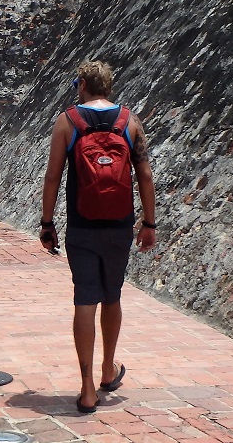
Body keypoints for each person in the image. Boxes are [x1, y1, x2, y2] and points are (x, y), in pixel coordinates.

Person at [40, 59, 156, 414]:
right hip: (120, 224)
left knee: (84, 298)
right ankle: (109, 369)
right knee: (113, 295)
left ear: (82, 85)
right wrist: (149, 223)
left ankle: (88, 388)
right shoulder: (130, 122)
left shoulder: (68, 121)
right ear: (108, 87)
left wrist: (47, 224)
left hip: (82, 224)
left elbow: (53, 177)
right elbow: (145, 176)